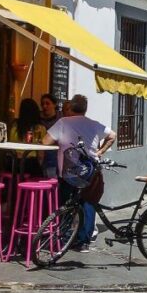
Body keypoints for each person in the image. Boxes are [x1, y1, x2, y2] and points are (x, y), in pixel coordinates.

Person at [42, 94, 116, 252]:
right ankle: (84, 242)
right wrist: (100, 151)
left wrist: (61, 140)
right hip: (90, 171)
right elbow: (112, 135)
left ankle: (64, 236)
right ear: (85, 109)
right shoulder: (94, 124)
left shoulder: (63, 122)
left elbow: (45, 141)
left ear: (72, 107)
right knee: (87, 203)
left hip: (68, 173)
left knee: (66, 203)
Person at [10, 98, 48, 177]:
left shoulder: (14, 126)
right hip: (30, 164)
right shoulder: (40, 129)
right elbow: (41, 154)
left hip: (12, 164)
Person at [40, 94, 61, 178]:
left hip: (56, 154)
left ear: (54, 104)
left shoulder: (61, 118)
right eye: (42, 104)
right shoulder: (38, 118)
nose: (44, 106)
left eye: (47, 103)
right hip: (41, 153)